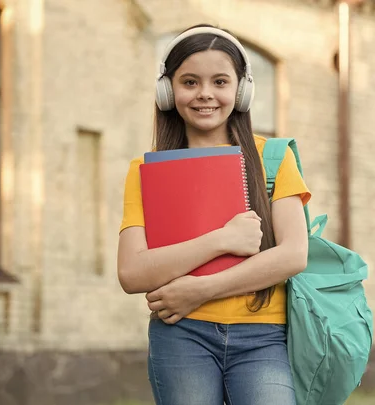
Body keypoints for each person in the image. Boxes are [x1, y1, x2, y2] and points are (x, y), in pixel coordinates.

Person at [117, 24, 311, 405]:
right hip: (181, 334)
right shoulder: (145, 170)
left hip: (263, 337)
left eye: (220, 82)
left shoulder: (274, 159)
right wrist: (220, 240)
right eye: (190, 82)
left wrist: (200, 289)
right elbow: (132, 273)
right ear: (168, 91)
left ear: (241, 90)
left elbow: (293, 255)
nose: (205, 94)